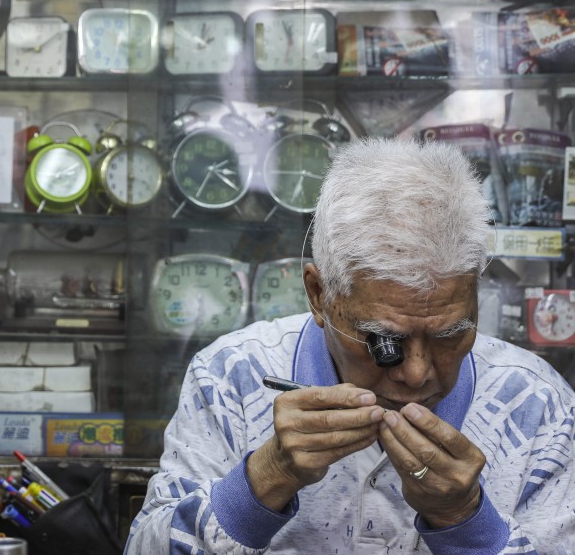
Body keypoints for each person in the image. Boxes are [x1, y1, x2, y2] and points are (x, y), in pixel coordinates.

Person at [126, 137, 575, 554]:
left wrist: (465, 520)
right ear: (320, 296)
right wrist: (265, 478)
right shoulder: (232, 377)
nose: (416, 373)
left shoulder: (535, 405)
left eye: (449, 335)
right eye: (384, 342)